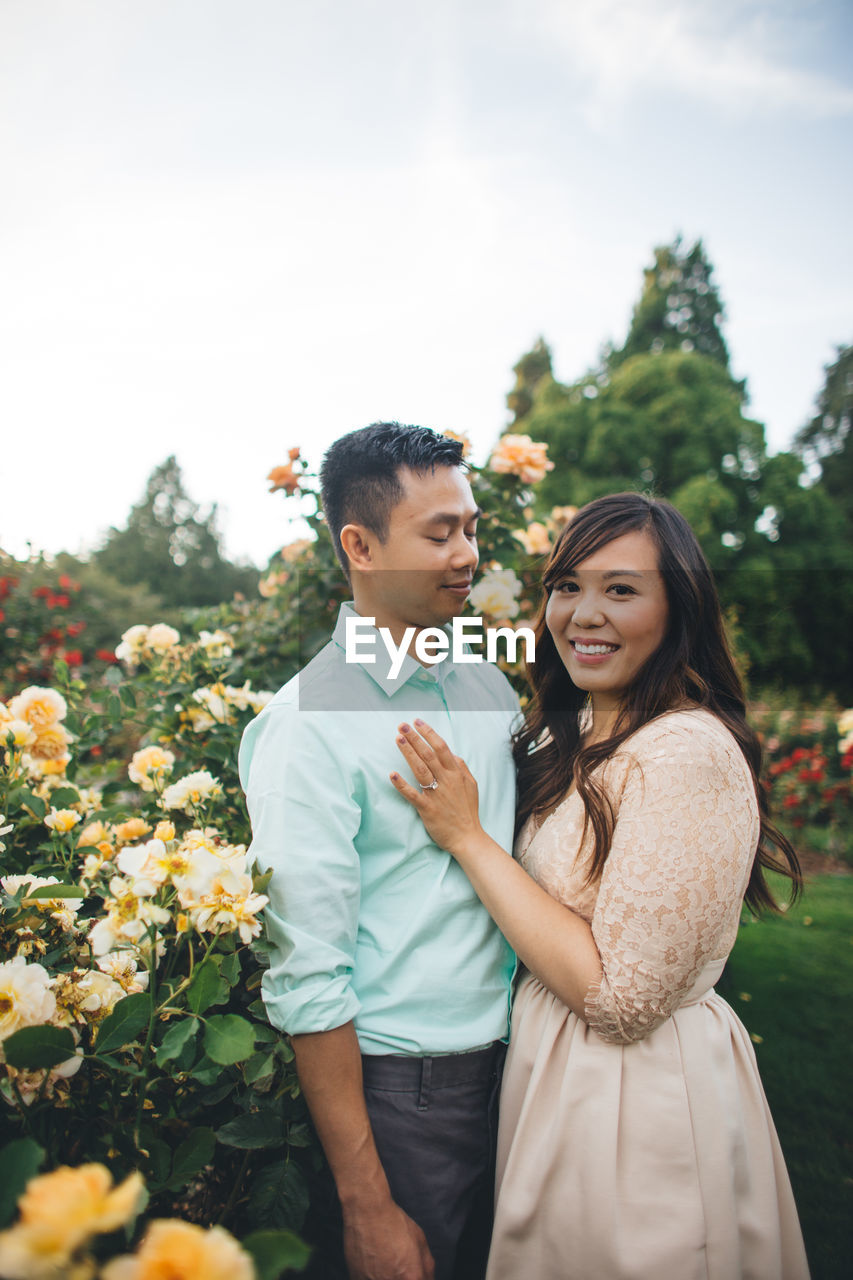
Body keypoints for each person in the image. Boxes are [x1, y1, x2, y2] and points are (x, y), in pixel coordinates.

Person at [391, 491, 810, 1280]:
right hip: (559, 1079)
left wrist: (466, 837)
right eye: (567, 586)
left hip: (634, 1103)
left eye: (620, 590)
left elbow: (622, 999)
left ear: (676, 607)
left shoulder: (684, 752)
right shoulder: (574, 730)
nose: (583, 614)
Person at [239, 423, 520, 1280]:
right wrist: (367, 1202)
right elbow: (307, 974)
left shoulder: (488, 681)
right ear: (358, 545)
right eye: (438, 533)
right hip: (407, 1093)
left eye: (470, 527)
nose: (465, 552)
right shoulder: (304, 726)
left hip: (527, 1064)